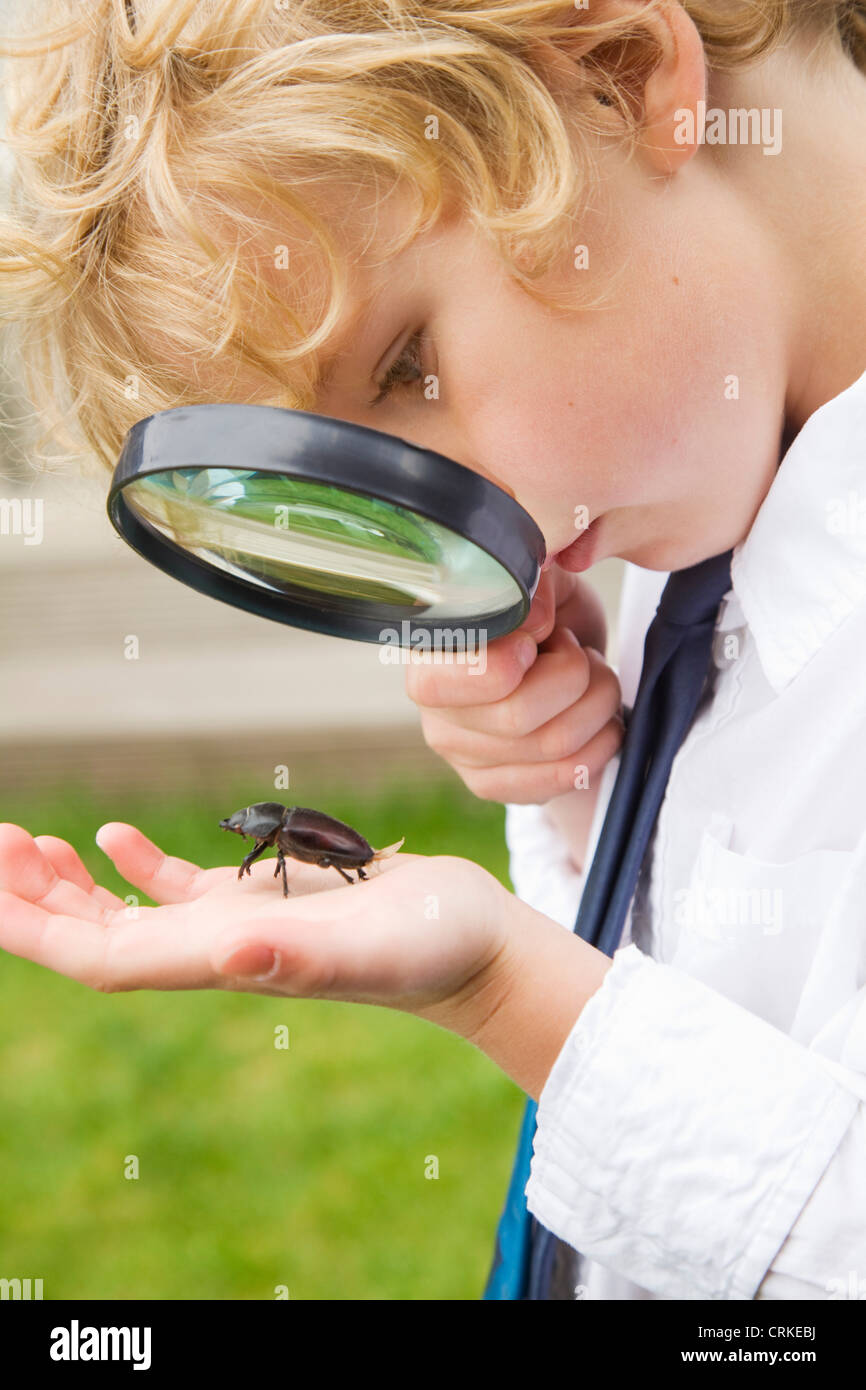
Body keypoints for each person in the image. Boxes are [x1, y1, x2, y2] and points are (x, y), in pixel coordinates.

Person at [1, 0, 865, 1299]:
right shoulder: (696, 498)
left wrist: (504, 987)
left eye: (407, 366)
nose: (450, 524)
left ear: (621, 78)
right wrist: (586, 773)